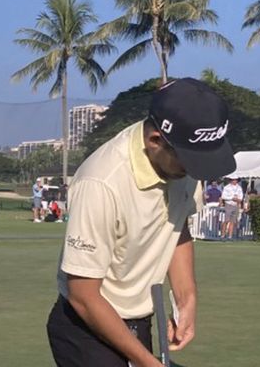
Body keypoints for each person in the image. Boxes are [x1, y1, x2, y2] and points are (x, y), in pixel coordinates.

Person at [47, 78, 236, 366]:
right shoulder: (101, 182)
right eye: (189, 161)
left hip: (139, 318)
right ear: (155, 141)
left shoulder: (181, 166)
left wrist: (187, 300)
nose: (193, 171)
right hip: (85, 326)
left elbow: (177, 227)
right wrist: (147, 362)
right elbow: (83, 296)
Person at [220, 176, 243, 241]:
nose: (234, 181)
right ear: (231, 180)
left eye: (236, 180)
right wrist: (232, 198)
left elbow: (241, 197)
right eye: (233, 180)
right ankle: (222, 235)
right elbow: (223, 196)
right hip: (229, 204)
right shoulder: (227, 187)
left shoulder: (239, 187)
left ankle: (230, 236)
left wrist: (238, 199)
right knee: (226, 220)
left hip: (235, 205)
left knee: (233, 221)